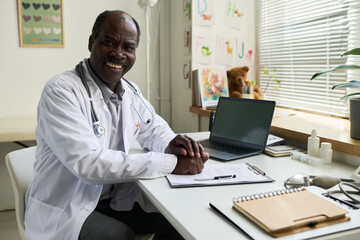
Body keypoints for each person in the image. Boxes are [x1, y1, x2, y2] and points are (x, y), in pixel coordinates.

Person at [24, 10, 209, 240]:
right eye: (109, 42)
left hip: (114, 198)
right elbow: (88, 163)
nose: (118, 54)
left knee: (180, 219)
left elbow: (153, 129)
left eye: (128, 48)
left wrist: (173, 144)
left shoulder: (130, 91)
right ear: (92, 42)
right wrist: (171, 162)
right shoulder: (61, 90)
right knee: (117, 236)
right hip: (68, 206)